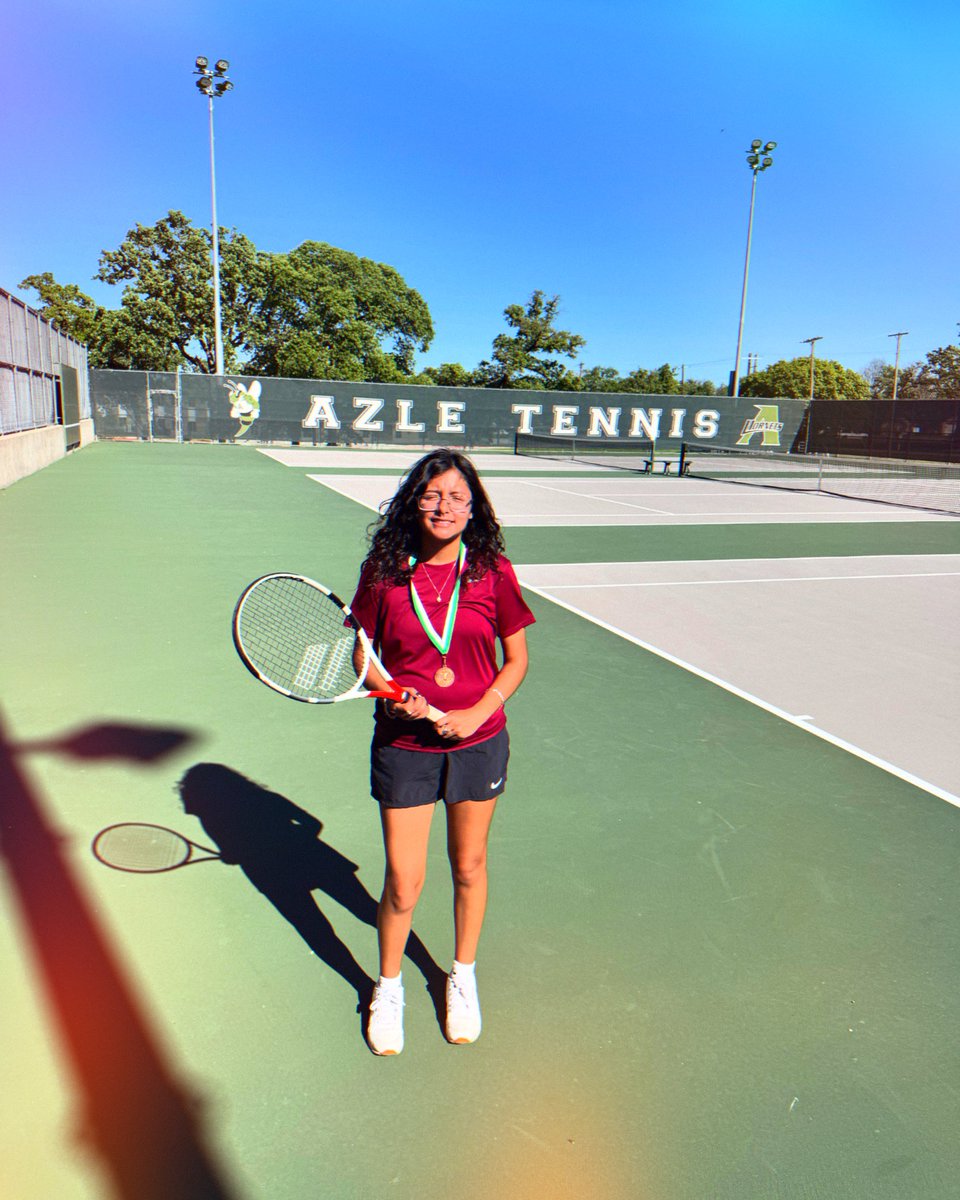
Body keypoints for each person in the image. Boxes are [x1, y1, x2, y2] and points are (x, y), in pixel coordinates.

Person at [349, 448, 535, 1055]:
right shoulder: (383, 573)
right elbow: (364, 658)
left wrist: (476, 712)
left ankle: (462, 976)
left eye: (458, 496)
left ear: (473, 506)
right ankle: (389, 986)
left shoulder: (492, 572)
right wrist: (390, 692)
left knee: (469, 865)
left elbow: (517, 661)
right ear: (413, 501)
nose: (444, 507)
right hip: (404, 743)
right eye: (432, 495)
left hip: (479, 743)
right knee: (403, 881)